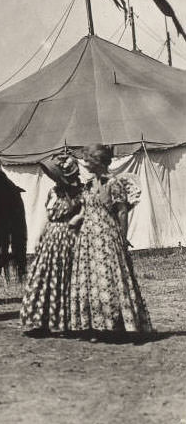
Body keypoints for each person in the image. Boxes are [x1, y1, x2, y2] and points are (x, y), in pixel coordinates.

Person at [68, 143, 152, 338]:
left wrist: (122, 238)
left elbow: (122, 212)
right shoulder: (88, 185)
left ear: (98, 162)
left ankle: (116, 325)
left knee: (109, 278)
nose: (86, 164)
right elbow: (85, 210)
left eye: (88, 160)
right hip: (88, 238)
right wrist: (76, 223)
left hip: (107, 237)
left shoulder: (113, 183)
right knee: (90, 280)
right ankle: (95, 324)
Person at [20, 154, 83, 336]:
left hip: (70, 237)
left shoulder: (80, 193)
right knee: (45, 278)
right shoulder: (53, 192)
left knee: (65, 278)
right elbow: (47, 217)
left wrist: (77, 218)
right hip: (51, 238)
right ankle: (42, 321)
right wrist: (40, 237)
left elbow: (86, 214)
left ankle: (68, 322)